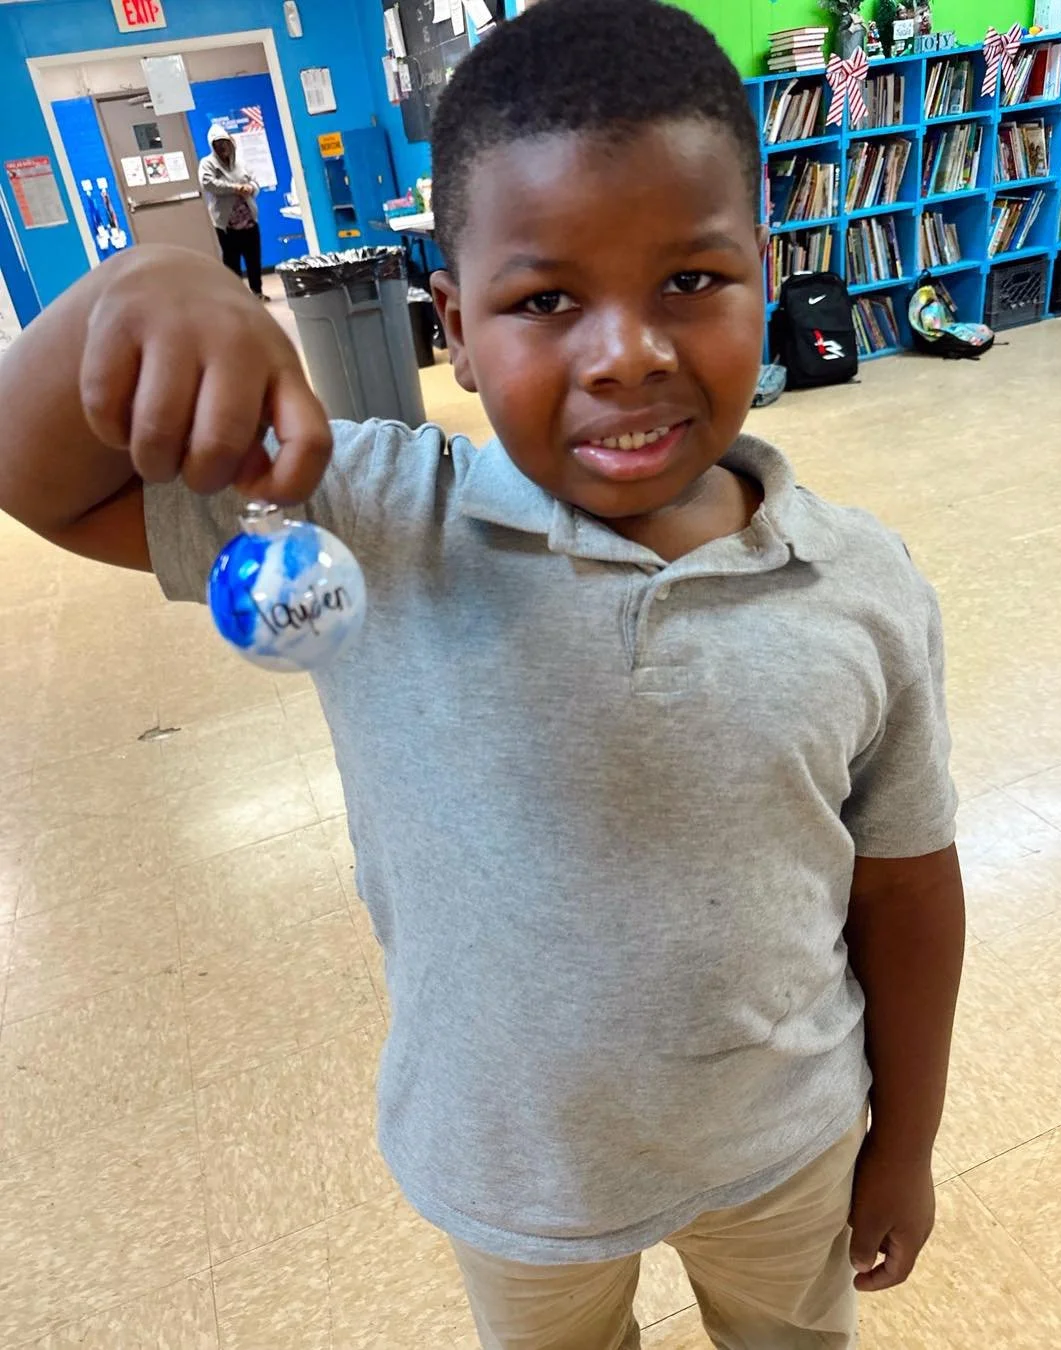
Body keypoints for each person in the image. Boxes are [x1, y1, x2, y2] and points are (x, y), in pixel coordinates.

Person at [0, 2, 964, 1346]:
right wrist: (134, 291)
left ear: (767, 267)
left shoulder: (862, 583)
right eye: (547, 298)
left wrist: (906, 1141)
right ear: (452, 320)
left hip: (783, 1144)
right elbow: (33, 478)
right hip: (516, 1174)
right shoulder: (371, 512)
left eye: (690, 279)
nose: (626, 350)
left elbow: (909, 887)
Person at [198, 124, 267, 300]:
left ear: (231, 143)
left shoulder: (241, 163)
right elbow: (209, 184)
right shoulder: (207, 164)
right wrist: (235, 188)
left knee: (254, 259)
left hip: (249, 220)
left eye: (225, 142)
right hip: (227, 224)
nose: (222, 147)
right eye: (218, 143)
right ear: (212, 146)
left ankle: (257, 292)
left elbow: (255, 182)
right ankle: (237, 297)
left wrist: (251, 189)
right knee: (232, 262)